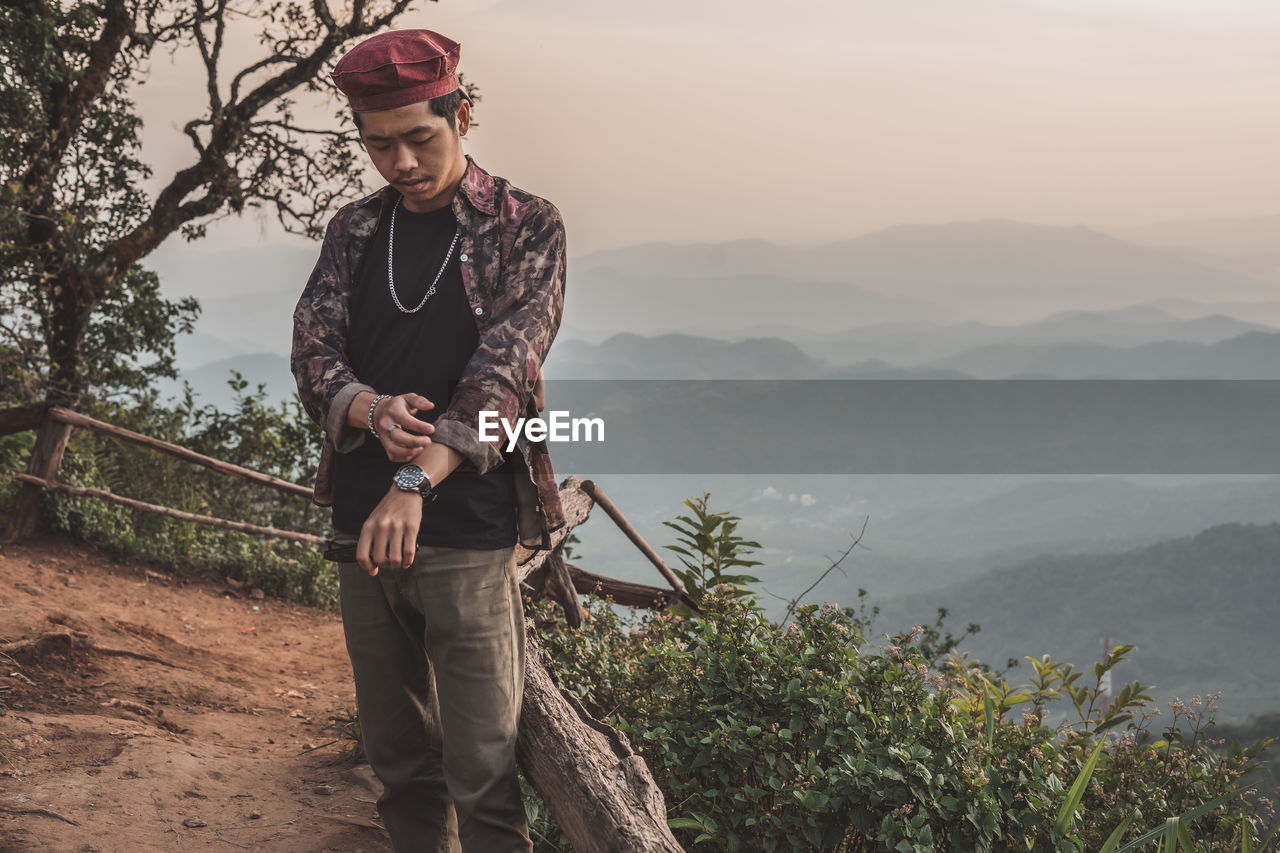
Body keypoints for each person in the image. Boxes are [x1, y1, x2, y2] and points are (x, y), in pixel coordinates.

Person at [290, 28, 567, 853]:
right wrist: (369, 408)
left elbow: (506, 371)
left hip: (466, 530)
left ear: (462, 112)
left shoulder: (525, 227)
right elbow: (312, 347)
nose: (402, 162)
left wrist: (416, 482)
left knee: (483, 775)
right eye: (380, 145)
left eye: (420, 137)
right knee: (400, 765)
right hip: (359, 529)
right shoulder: (354, 231)